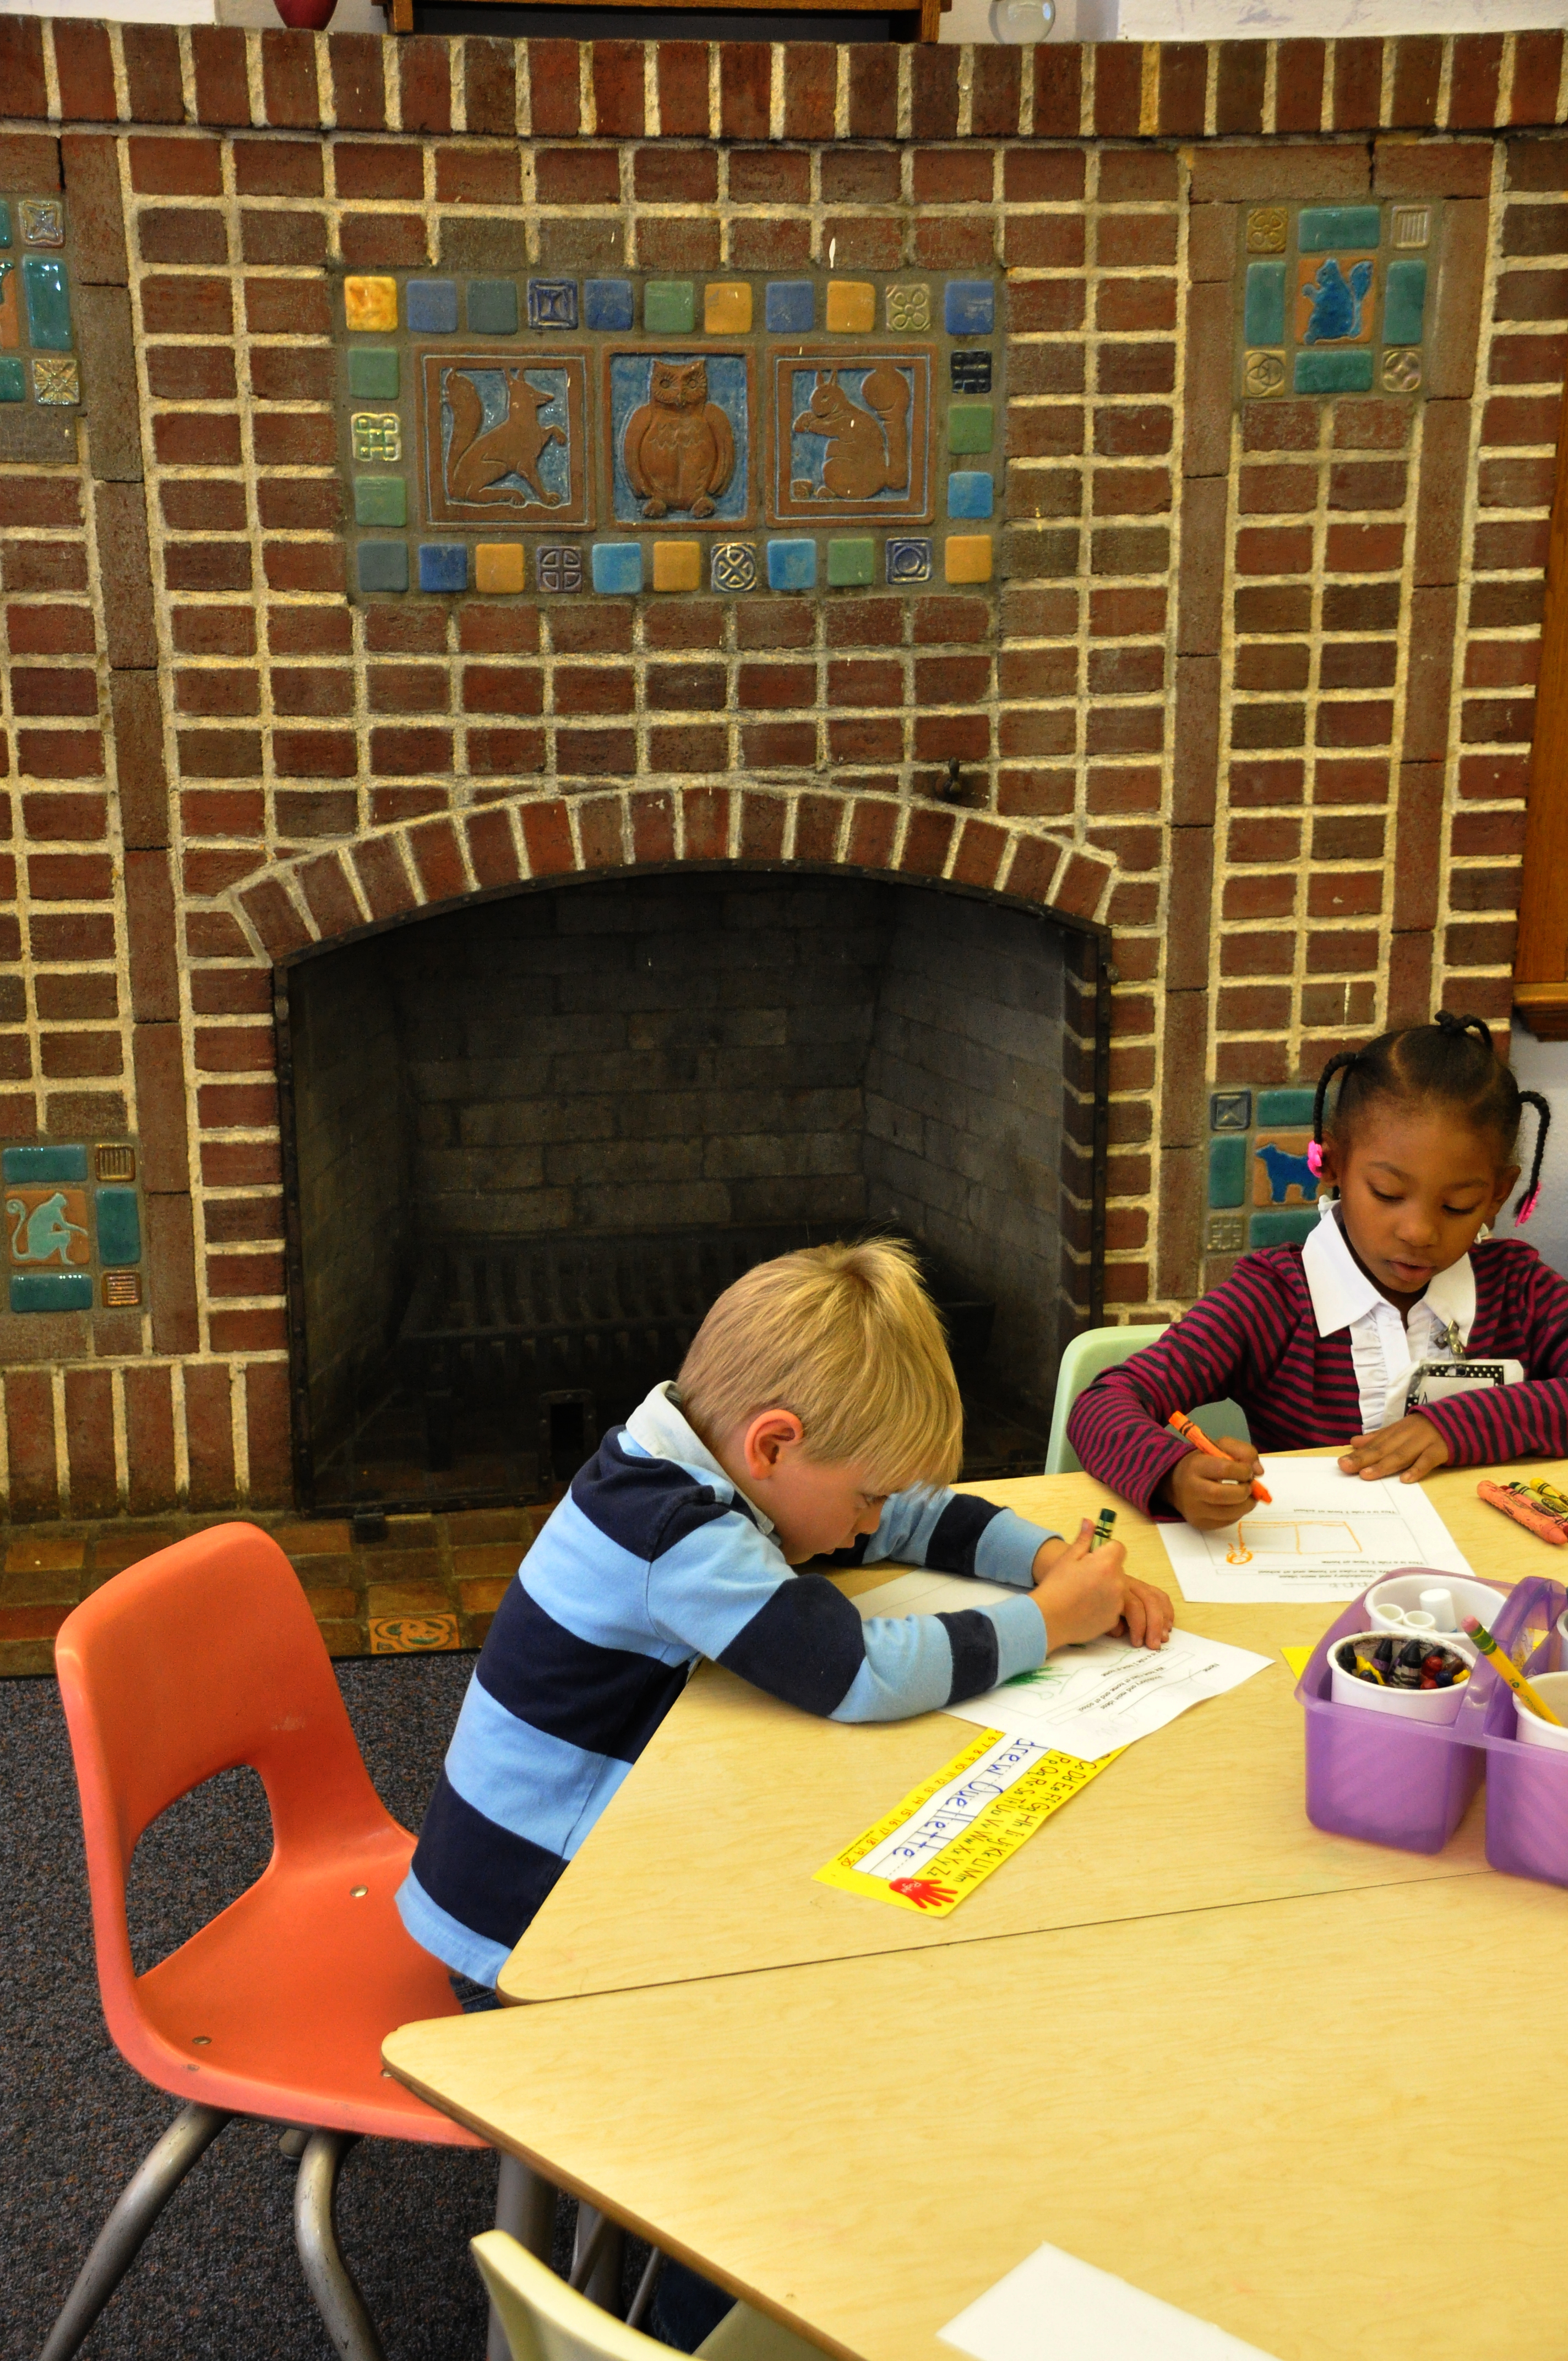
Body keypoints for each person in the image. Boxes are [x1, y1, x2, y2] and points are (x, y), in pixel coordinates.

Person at [398, 1237, 1172, 1989]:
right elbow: (859, 1671)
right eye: (866, 1498)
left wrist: (1044, 1561)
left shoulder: (697, 1464)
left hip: (564, 1866)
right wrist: (1049, 1619)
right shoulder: (674, 1535)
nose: (871, 1523)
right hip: (522, 1926)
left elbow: (908, 1520)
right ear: (774, 1445)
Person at [1068, 1012, 1565, 1531]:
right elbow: (1102, 1405)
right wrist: (1174, 1473)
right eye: (1388, 1194)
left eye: (1459, 1205)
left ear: (1498, 1194)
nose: (1419, 1232)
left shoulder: (1518, 1290)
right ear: (1329, 1164)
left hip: (1482, 1570)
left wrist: (1465, 1426)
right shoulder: (1274, 1299)